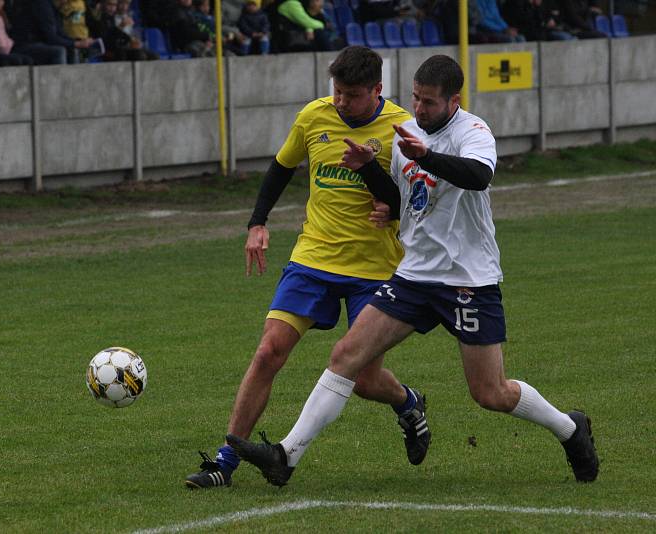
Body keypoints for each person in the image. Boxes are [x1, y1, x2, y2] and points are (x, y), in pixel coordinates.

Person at [227, 54, 599, 486]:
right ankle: (285, 457)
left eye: (429, 102)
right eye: (416, 99)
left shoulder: (472, 131)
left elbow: (478, 176)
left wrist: (426, 156)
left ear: (453, 101)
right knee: (346, 356)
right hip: (414, 274)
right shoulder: (406, 135)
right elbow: (405, 202)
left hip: (467, 279)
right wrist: (368, 170)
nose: (419, 110)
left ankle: (570, 429)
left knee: (490, 393)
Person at [185, 46, 430, 489]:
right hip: (313, 257)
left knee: (364, 380)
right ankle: (225, 461)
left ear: (376, 90)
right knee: (267, 353)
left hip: (373, 269)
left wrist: (389, 208)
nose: (340, 102)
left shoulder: (401, 131)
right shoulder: (314, 117)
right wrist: (257, 223)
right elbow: (280, 169)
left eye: (351, 95)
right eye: (336, 92)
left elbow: (413, 199)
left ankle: (408, 402)